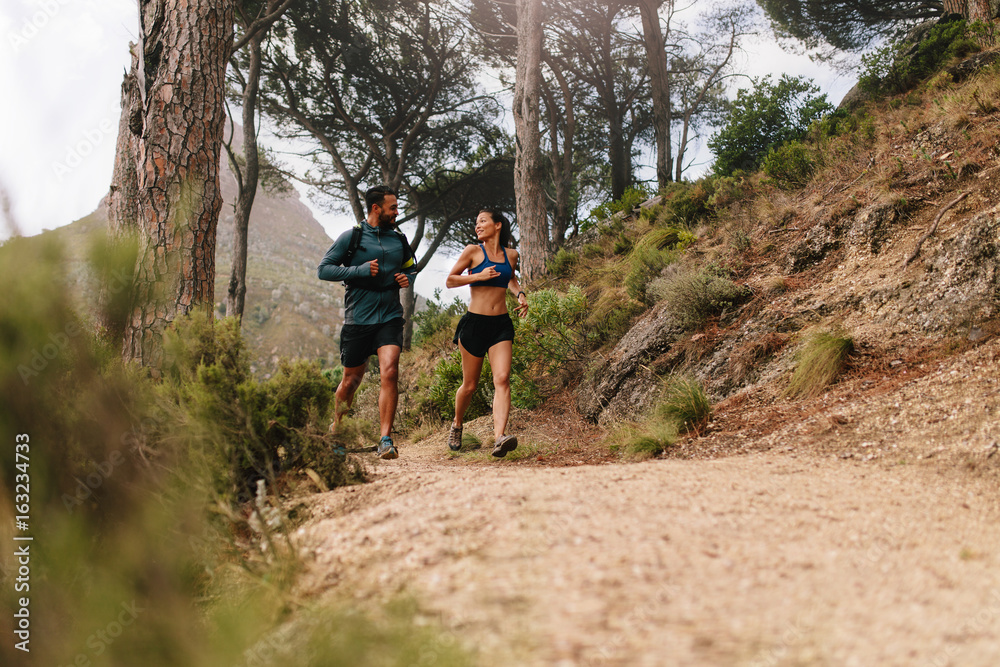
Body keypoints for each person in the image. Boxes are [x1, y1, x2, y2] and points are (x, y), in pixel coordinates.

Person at [318, 185, 417, 460]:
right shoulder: (353, 237)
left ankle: (385, 439)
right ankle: (337, 431)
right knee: (351, 381)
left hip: (389, 316)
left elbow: (411, 265)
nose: (397, 212)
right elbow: (324, 269)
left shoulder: (399, 239)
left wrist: (408, 278)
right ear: (376, 208)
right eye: (393, 207)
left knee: (390, 372)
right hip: (358, 318)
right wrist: (359, 270)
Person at [445, 208, 528, 457]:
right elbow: (450, 280)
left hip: (500, 325)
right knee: (469, 386)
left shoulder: (511, 255)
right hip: (474, 325)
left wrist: (520, 294)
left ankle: (499, 437)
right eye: (476, 222)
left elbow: (510, 278)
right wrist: (478, 276)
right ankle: (457, 423)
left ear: (498, 225)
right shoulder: (472, 251)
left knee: (501, 379)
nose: (477, 226)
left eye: (483, 221)